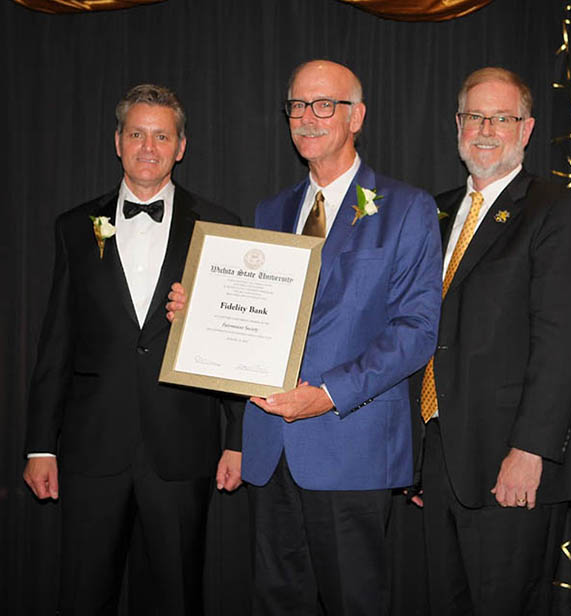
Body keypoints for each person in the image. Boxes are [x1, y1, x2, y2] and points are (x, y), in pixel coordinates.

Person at [167, 60, 442, 615]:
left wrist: (329, 394)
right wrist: (200, 312)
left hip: (350, 443)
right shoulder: (271, 210)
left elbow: (415, 332)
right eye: (297, 105)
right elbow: (255, 319)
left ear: (356, 116)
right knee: (276, 603)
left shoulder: (406, 207)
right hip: (270, 448)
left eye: (325, 105)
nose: (308, 118)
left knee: (354, 603)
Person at [23, 84, 244, 615]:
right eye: (138, 134)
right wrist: (39, 445)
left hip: (181, 447)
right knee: (83, 595)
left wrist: (238, 441)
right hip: (92, 449)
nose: (150, 146)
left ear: (181, 146)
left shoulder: (221, 226)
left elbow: (238, 344)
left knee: (175, 595)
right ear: (118, 142)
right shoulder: (75, 227)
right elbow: (57, 340)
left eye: (162, 135)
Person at [409, 66, 571, 615]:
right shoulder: (434, 211)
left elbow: (565, 342)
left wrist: (531, 450)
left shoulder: (554, 210)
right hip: (439, 455)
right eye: (475, 116)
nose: (487, 129)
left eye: (503, 117)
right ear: (457, 124)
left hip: (508, 461)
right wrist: (421, 456)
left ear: (528, 128)